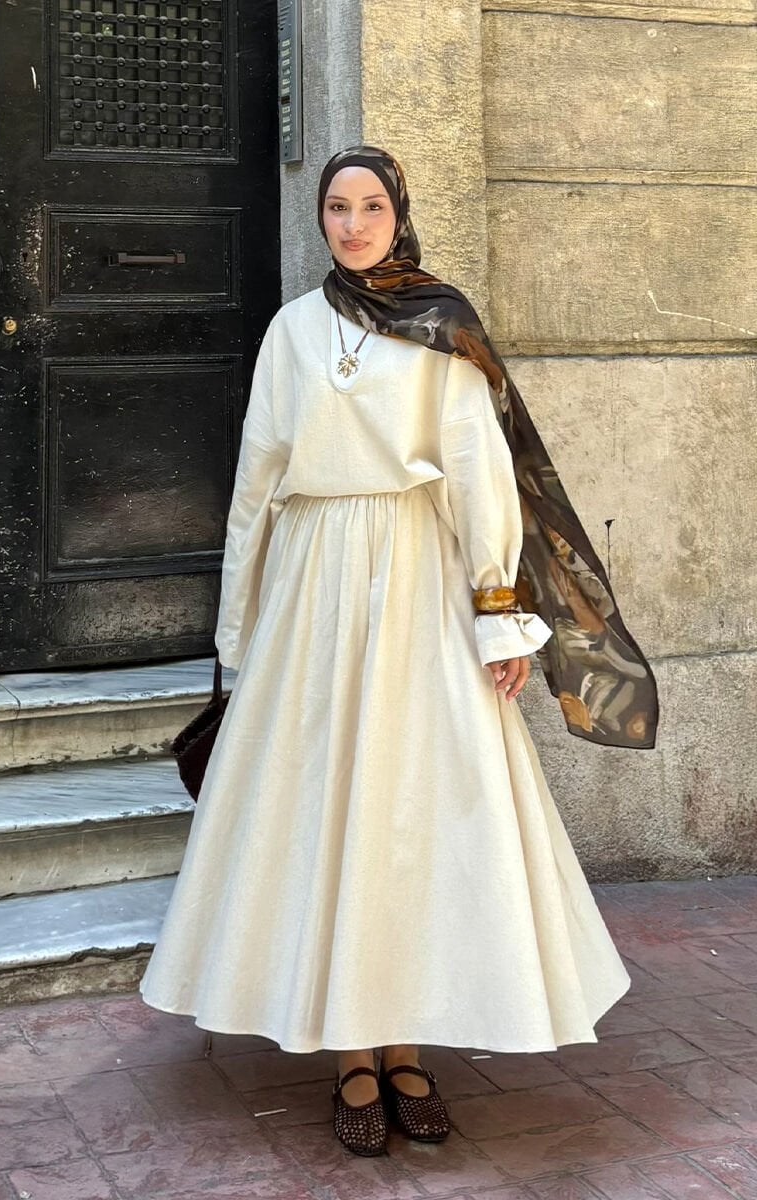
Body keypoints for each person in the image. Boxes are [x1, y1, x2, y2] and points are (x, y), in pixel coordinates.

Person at [139, 145, 658, 1158]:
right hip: (312, 584)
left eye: (370, 205)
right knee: (328, 810)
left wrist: (497, 614)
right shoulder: (292, 330)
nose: (352, 224)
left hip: (418, 576)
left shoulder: (440, 323)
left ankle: (407, 1049)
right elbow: (258, 476)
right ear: (321, 218)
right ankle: (350, 1056)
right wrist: (240, 625)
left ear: (397, 213)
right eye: (336, 207)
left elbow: (475, 468)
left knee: (415, 810)